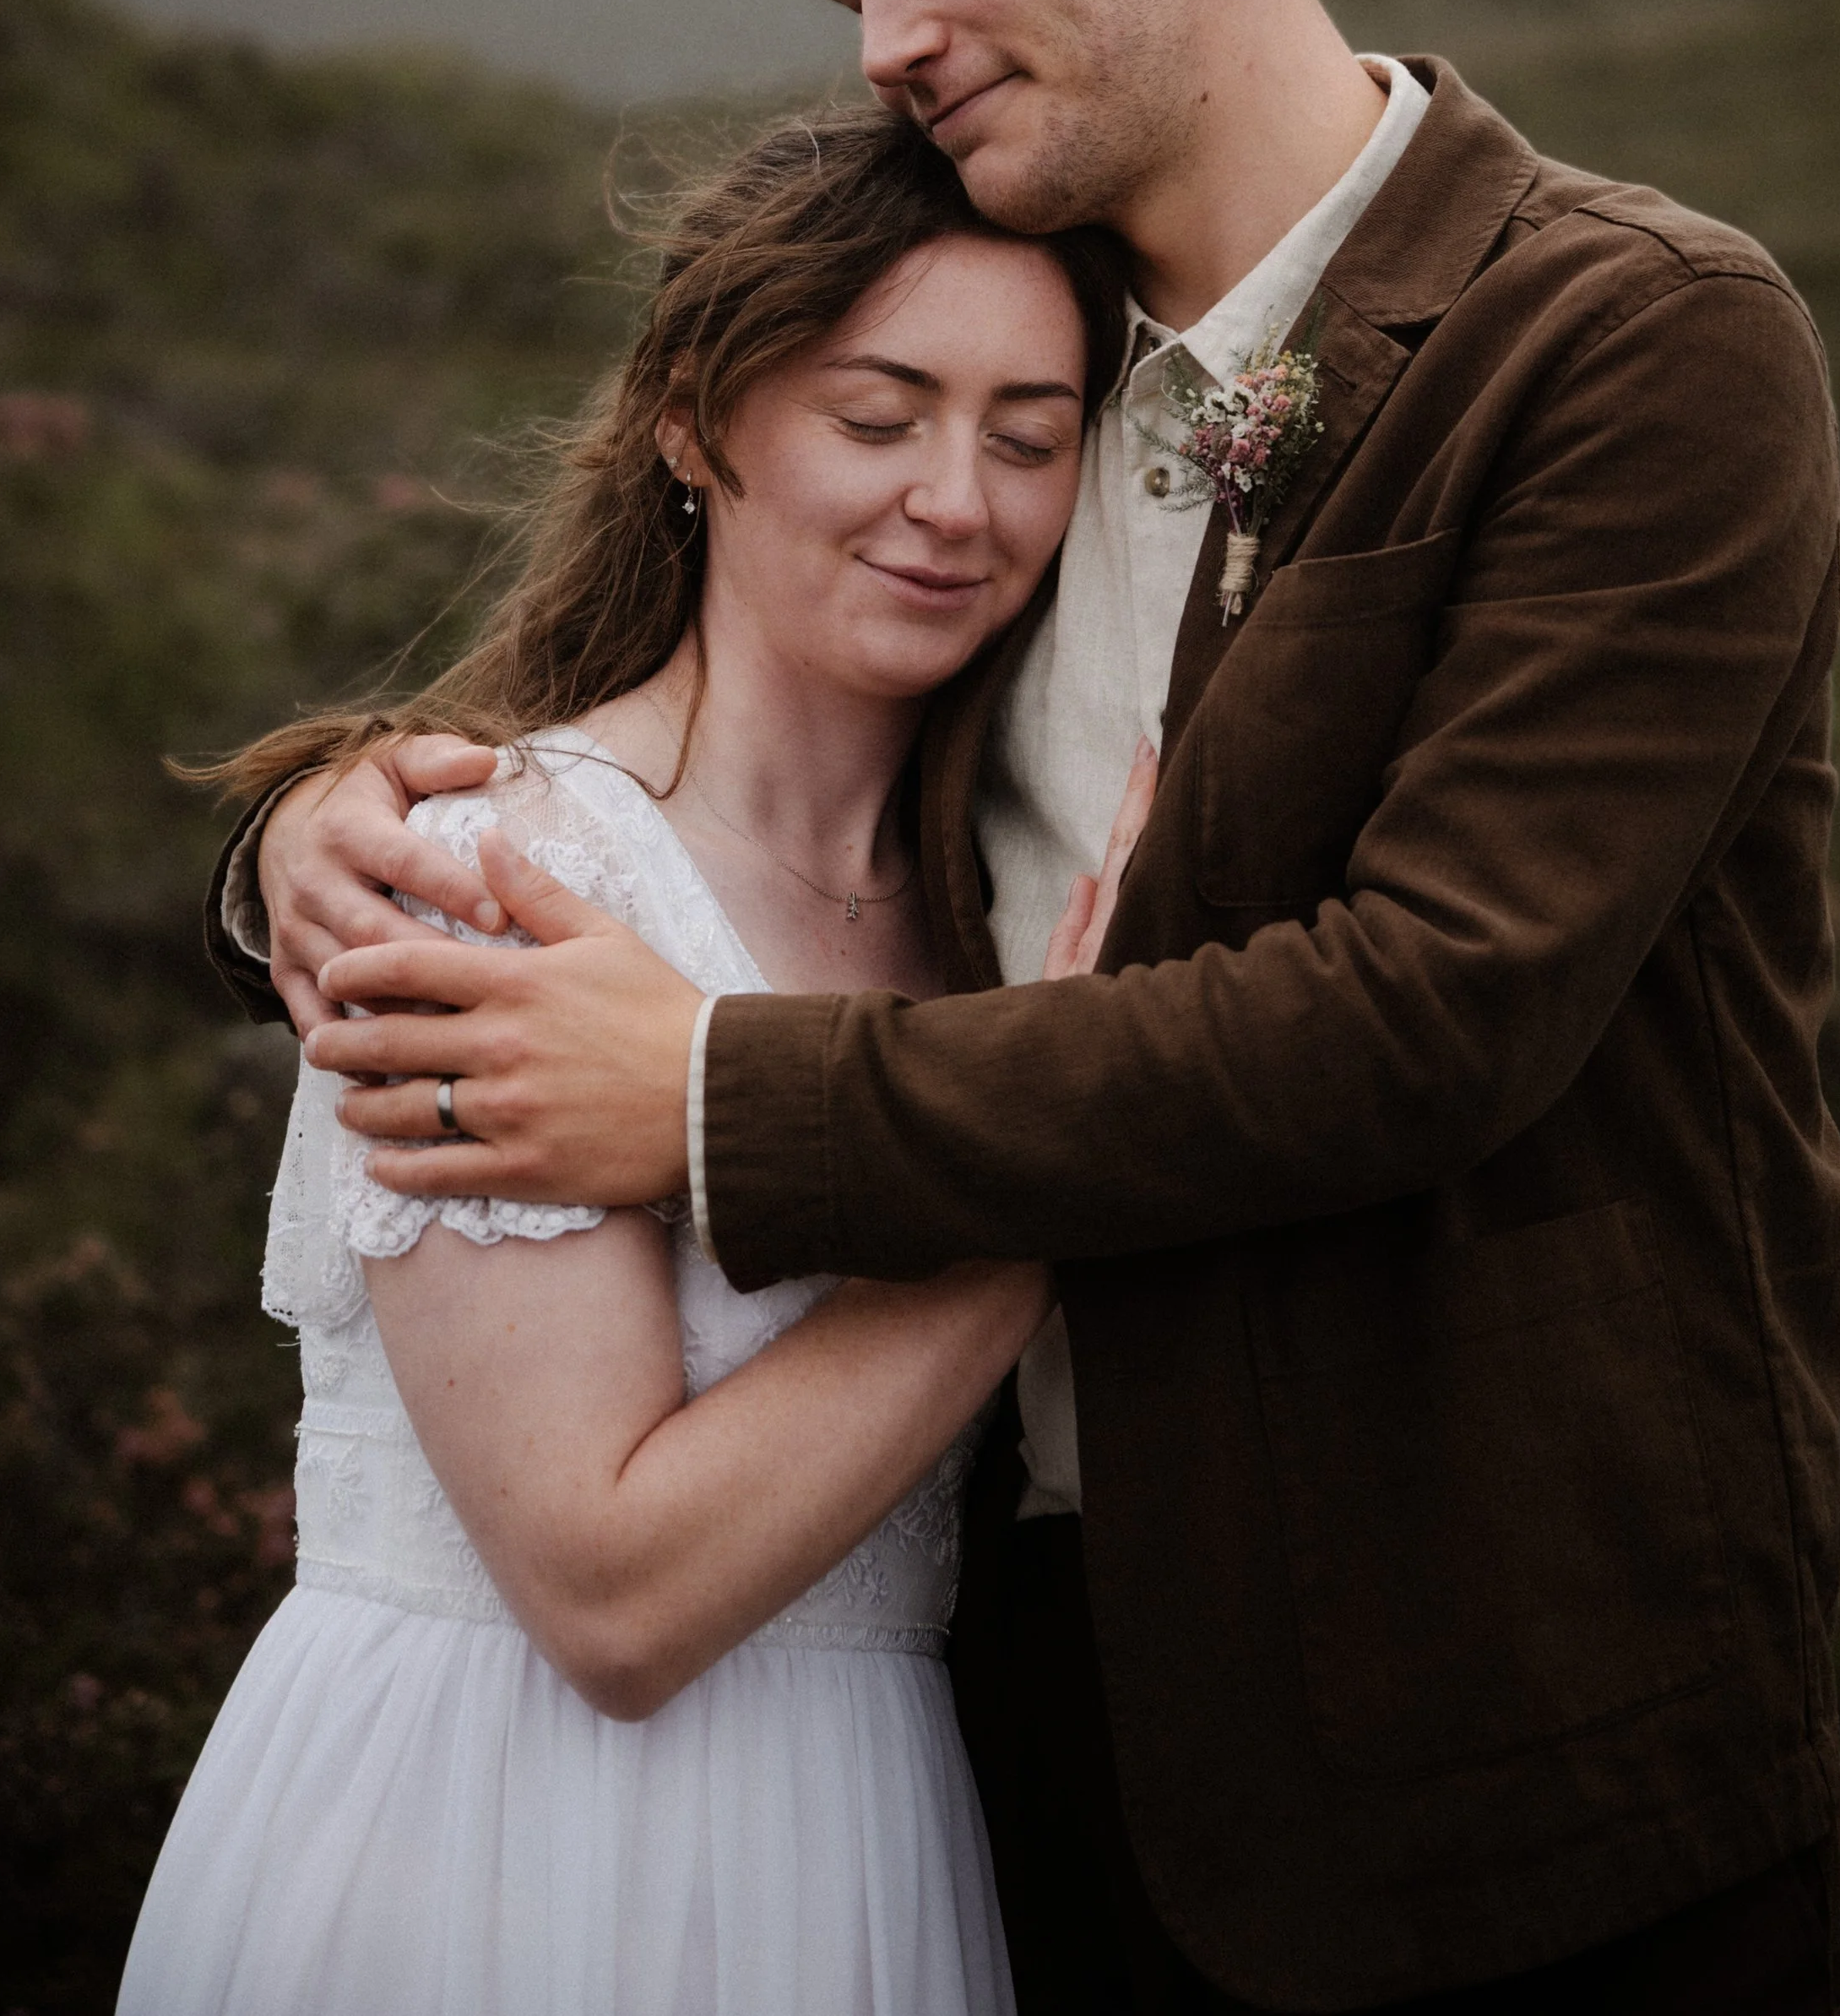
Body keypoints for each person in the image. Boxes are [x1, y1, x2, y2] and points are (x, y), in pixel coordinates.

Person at [212, 0, 1840, 2013]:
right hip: (1016, 1749)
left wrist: (701, 1095)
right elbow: (723, 731)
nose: (888, 37)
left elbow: (1425, 1008)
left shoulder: (1629, 337)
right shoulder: (1009, 353)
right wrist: (345, 820)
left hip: (1506, 1774)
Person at [125, 109, 1140, 2016]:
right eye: (875, 415)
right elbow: (607, 1591)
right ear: (694, 424)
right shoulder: (496, 870)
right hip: (496, 1843)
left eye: (1028, 435)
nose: (958, 500)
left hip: (865, 1840)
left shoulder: (987, 914)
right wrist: (1066, 1165)